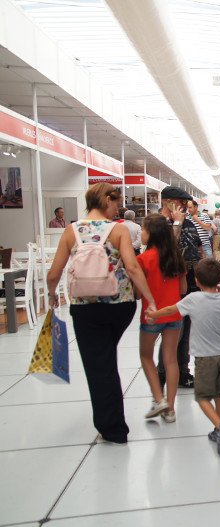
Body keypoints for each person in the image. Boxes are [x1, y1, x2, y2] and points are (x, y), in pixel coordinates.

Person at [46, 183, 156, 444]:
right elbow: (132, 267)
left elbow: (54, 273)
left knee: (99, 365)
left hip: (85, 308)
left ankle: (113, 428)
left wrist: (52, 295)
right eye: (116, 202)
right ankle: (113, 423)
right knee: (106, 357)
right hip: (120, 305)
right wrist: (149, 299)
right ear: (106, 200)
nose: (118, 207)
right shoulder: (118, 230)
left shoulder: (71, 232)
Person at [146, 259, 220, 456]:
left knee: (202, 397)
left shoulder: (193, 299)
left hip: (205, 359)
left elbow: (171, 310)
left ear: (196, 280)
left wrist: (154, 315)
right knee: (219, 395)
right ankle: (217, 430)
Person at [136, 214, 186, 424]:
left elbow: (139, 293)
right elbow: (183, 288)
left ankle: (159, 399)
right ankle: (171, 409)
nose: (141, 233)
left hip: (151, 316)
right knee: (171, 360)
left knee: (146, 356)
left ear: (152, 233)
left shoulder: (142, 259)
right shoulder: (176, 257)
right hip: (174, 314)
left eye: (143, 229)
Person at [158, 186, 202, 388]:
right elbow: (168, 251)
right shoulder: (158, 224)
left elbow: (198, 247)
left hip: (191, 280)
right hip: (171, 282)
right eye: (181, 202)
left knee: (187, 329)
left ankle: (183, 371)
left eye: (186, 203)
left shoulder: (189, 222)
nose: (185, 206)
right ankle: (162, 372)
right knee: (173, 329)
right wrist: (177, 223)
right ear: (168, 202)